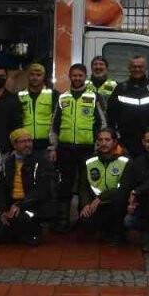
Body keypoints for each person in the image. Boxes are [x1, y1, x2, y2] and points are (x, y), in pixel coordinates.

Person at [51, 64, 103, 232]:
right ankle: (63, 221)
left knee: (85, 185)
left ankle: (83, 221)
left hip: (87, 149)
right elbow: (54, 125)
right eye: (74, 75)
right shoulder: (63, 97)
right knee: (65, 185)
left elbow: (102, 123)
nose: (77, 78)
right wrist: (53, 147)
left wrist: (99, 145)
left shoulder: (93, 97)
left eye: (80, 75)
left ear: (85, 76)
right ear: (70, 76)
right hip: (65, 149)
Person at [0, 128, 51, 246]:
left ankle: (29, 230)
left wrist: (20, 205)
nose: (27, 144)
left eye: (29, 141)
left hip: (30, 204)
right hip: (12, 204)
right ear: (14, 145)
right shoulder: (8, 162)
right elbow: (2, 188)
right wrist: (3, 211)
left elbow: (41, 190)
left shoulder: (41, 161)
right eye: (23, 141)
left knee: (26, 231)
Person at [108, 56, 149, 148]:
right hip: (127, 140)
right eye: (134, 67)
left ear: (145, 68)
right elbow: (111, 115)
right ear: (129, 68)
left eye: (140, 67)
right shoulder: (121, 89)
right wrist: (114, 137)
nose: (137, 69)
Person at [79, 129, 129, 245]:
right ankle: (104, 230)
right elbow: (83, 186)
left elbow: (124, 188)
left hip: (118, 203)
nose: (103, 143)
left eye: (107, 140)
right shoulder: (90, 161)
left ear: (114, 142)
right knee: (86, 222)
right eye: (100, 140)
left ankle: (118, 233)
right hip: (98, 204)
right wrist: (86, 204)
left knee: (119, 202)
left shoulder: (125, 161)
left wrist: (101, 197)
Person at [18, 63, 58, 154]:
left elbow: (57, 121)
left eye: (38, 75)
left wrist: (54, 146)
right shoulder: (20, 95)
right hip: (25, 143)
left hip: (47, 144)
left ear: (44, 76)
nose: (35, 78)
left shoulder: (53, 95)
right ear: (28, 76)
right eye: (32, 74)